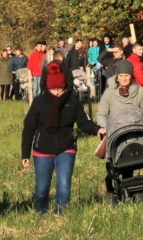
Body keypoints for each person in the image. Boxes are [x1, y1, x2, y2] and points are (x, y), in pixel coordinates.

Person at [21, 62, 102, 214]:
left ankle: (61, 215)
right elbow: (28, 129)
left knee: (64, 185)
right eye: (53, 89)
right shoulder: (39, 102)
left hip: (66, 148)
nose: (58, 92)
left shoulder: (72, 102)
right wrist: (25, 154)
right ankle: (41, 213)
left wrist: (98, 130)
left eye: (60, 88)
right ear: (47, 87)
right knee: (41, 188)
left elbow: (84, 123)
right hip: (43, 150)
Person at [97, 59, 143, 194]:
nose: (123, 79)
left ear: (131, 76)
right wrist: (107, 128)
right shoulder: (109, 93)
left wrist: (140, 122)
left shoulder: (140, 92)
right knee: (116, 164)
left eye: (126, 75)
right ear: (117, 76)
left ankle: (128, 188)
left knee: (129, 162)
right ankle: (112, 179)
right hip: (115, 133)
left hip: (134, 132)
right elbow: (101, 114)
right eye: (121, 75)